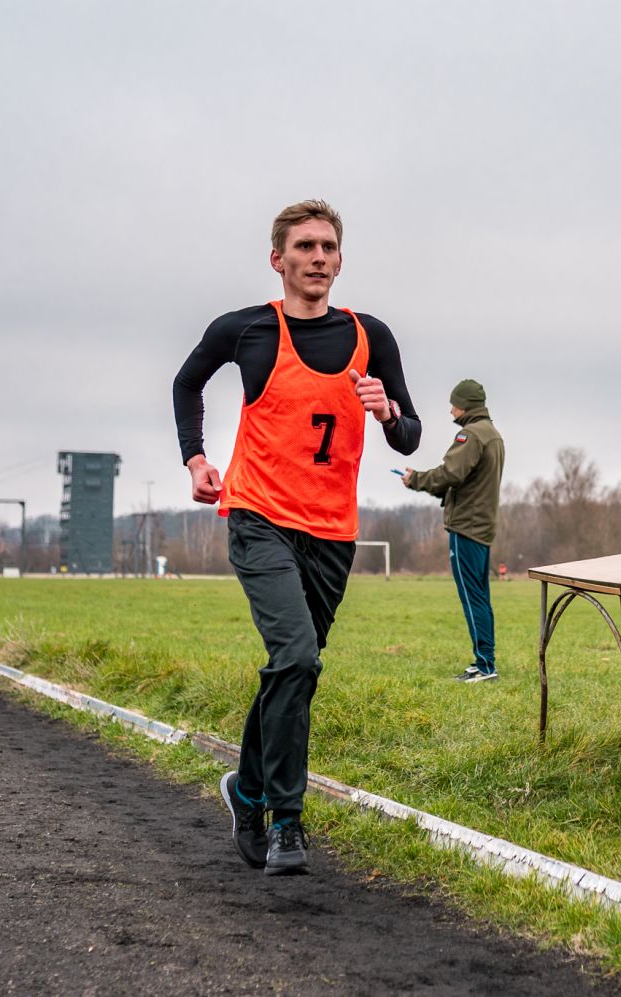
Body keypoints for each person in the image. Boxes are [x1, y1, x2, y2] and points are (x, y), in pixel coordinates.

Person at [172, 200, 421, 875]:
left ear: (341, 260)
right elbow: (187, 380)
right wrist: (196, 459)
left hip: (332, 533)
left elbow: (410, 432)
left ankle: (245, 790)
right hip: (259, 518)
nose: (318, 257)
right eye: (305, 246)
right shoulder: (248, 329)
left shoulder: (372, 336)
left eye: (329, 247)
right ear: (278, 259)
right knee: (298, 657)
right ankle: (287, 821)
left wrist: (389, 411)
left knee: (294, 670)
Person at [401, 379, 505, 682]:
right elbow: (463, 483)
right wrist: (432, 487)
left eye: (454, 404)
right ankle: (483, 659)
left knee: (473, 597)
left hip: (466, 528)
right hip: (482, 525)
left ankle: (486, 666)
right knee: (480, 597)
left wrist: (416, 479)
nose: (450, 410)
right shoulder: (492, 435)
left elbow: (449, 473)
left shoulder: (470, 435)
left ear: (466, 404)